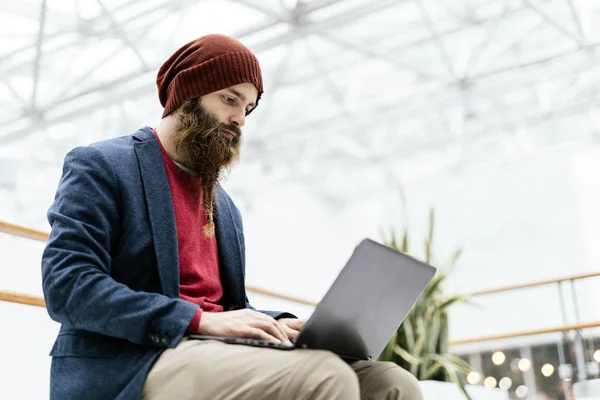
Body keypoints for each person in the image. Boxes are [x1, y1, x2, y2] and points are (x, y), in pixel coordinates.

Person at [41, 33, 423, 400]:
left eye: (248, 108)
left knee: (391, 384)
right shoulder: (102, 165)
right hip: (131, 359)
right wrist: (196, 321)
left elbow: (226, 308)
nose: (240, 118)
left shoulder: (223, 206)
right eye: (230, 99)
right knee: (324, 376)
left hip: (212, 349)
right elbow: (68, 285)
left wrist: (280, 324)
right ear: (188, 93)